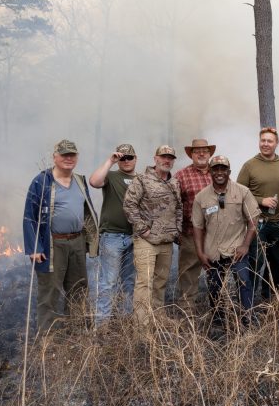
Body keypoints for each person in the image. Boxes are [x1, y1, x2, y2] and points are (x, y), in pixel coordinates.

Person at [23, 139, 99, 333]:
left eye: (72, 155)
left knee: (79, 288)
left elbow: (88, 212)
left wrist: (92, 240)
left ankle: (77, 332)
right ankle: (48, 338)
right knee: (50, 291)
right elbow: (29, 216)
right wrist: (34, 248)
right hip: (52, 244)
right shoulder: (42, 181)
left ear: (77, 158)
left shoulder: (81, 181)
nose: (68, 158)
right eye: (64, 154)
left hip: (77, 241)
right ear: (55, 157)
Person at [192, 155, 260, 324]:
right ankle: (218, 320)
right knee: (215, 287)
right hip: (213, 250)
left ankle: (247, 319)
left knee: (244, 282)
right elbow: (198, 227)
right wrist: (200, 253)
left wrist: (245, 245)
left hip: (237, 248)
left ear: (229, 171)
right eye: (216, 169)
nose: (219, 172)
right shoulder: (201, 197)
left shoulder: (242, 192)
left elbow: (253, 221)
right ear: (210, 172)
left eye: (223, 169)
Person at [123, 145, 183, 327]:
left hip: (166, 241)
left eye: (170, 158)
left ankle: (158, 317)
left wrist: (177, 230)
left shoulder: (174, 183)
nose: (167, 160)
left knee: (160, 282)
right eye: (163, 157)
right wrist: (142, 229)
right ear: (155, 158)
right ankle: (142, 326)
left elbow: (179, 207)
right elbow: (129, 205)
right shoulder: (142, 180)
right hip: (146, 241)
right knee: (144, 283)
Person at [237, 127, 279, 303]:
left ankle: (269, 294)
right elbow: (238, 193)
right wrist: (261, 200)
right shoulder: (249, 165)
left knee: (276, 261)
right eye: (263, 140)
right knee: (256, 261)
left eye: (270, 141)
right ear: (259, 142)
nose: (266, 144)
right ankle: (248, 298)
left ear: (276, 143)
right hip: (257, 224)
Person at [89, 144, 137, 326]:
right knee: (108, 282)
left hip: (135, 237)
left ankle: (126, 322)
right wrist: (110, 161)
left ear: (135, 159)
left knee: (129, 282)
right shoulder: (111, 176)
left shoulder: (141, 180)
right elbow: (94, 182)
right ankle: (101, 325)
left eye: (129, 157)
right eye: (122, 158)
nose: (126, 161)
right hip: (112, 237)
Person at [174, 138, 215, 311]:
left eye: (204, 150)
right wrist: (176, 231)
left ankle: (217, 309)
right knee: (189, 273)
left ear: (209, 153)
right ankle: (186, 311)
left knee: (216, 272)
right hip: (190, 233)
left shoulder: (218, 172)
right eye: (197, 151)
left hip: (215, 234)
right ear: (191, 154)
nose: (201, 154)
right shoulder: (181, 175)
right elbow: (174, 204)